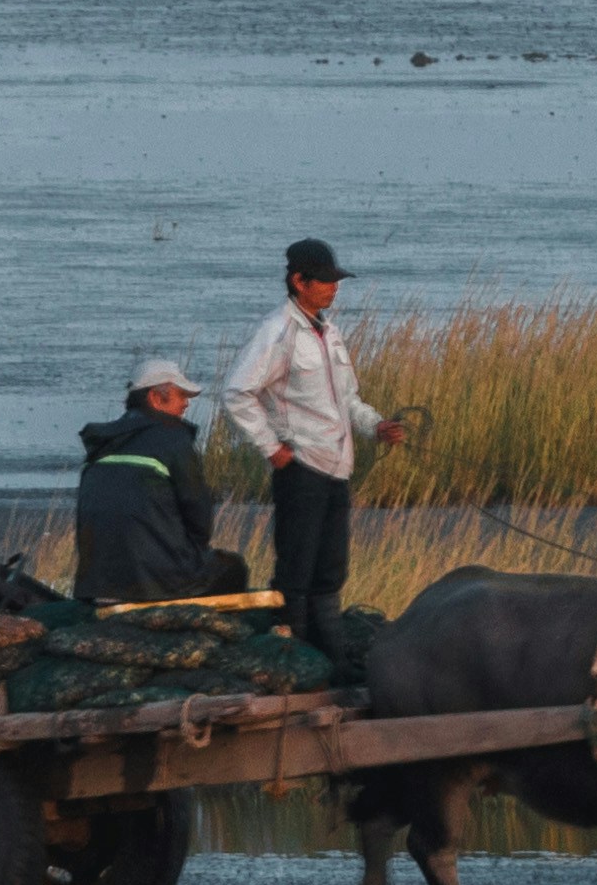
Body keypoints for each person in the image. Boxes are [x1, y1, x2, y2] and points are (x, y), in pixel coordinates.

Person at [222, 237, 406, 647]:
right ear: (298, 281)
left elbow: (349, 400)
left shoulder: (330, 332)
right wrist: (271, 447)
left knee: (330, 572)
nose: (333, 287)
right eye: (324, 280)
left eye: (336, 279)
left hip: (338, 469)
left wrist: (376, 427)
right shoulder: (277, 331)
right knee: (296, 571)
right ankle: (296, 650)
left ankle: (330, 654)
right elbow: (237, 393)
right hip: (301, 471)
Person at [71, 355, 238, 603]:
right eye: (181, 395)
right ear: (156, 398)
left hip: (95, 585)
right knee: (233, 568)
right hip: (157, 582)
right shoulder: (173, 438)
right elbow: (198, 515)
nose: (186, 405)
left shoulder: (101, 444)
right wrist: (191, 555)